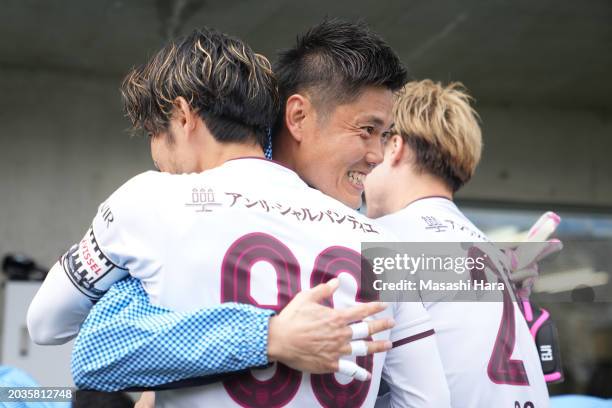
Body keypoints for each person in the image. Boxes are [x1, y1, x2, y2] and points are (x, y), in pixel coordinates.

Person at [29, 22, 450, 407]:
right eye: (367, 130)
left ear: (181, 116)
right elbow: (428, 401)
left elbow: (49, 327)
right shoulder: (380, 244)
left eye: (154, 135)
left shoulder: (153, 198)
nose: (158, 158)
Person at [364, 80, 550, 407]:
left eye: (375, 138)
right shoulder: (487, 249)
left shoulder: (384, 237)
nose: (365, 159)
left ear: (395, 147)